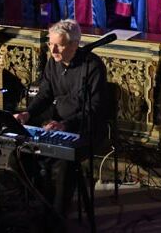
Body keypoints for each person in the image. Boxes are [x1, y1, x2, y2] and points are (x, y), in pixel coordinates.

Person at [14, 19, 108, 220]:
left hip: (85, 128)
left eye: (59, 45)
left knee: (65, 160)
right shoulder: (52, 63)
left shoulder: (92, 66)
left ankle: (57, 216)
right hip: (56, 124)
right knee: (19, 152)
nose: (53, 49)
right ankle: (38, 201)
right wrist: (27, 113)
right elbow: (44, 95)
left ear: (74, 45)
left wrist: (65, 124)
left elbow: (95, 109)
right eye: (50, 44)